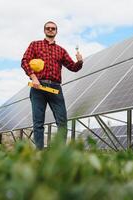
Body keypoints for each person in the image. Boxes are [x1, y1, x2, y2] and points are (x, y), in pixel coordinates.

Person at [21, 21, 83, 150]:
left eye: (53, 28)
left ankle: (59, 153)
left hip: (55, 88)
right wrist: (33, 78)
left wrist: (79, 61)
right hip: (38, 87)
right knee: (38, 123)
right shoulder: (35, 45)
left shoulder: (61, 50)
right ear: (44, 30)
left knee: (62, 122)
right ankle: (39, 152)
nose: (50, 30)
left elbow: (73, 67)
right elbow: (24, 61)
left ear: (56, 31)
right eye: (48, 28)